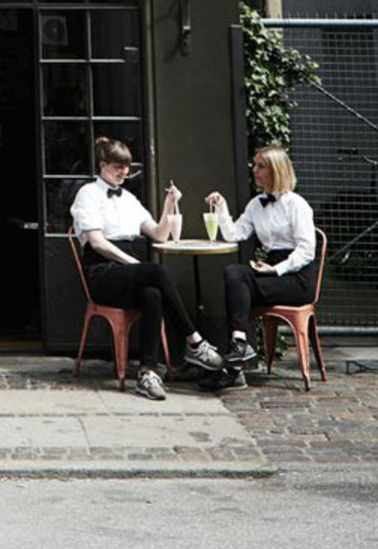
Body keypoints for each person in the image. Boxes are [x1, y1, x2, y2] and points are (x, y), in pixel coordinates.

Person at [70, 136, 223, 400]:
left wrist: (169, 204)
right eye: (118, 167)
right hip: (103, 272)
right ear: (102, 165)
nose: (124, 172)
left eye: (126, 167)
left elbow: (159, 234)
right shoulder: (88, 194)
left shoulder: (129, 198)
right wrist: (135, 264)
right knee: (154, 272)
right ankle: (194, 342)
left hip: (132, 273)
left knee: (152, 294)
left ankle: (147, 373)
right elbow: (97, 243)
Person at [205, 143, 316, 383]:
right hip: (270, 270)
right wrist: (221, 207)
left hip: (296, 277)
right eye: (254, 165)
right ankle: (239, 346)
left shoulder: (297, 205)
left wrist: (276, 269)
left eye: (261, 166)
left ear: (276, 170)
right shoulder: (256, 204)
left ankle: (234, 367)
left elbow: (307, 251)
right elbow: (234, 234)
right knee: (234, 273)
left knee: (238, 285)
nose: (254, 170)